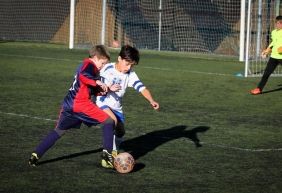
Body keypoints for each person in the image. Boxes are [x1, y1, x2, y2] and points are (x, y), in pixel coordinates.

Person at [29, 45, 116, 169]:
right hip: (80, 104)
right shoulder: (88, 64)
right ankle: (107, 157)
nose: (102, 66)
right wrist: (97, 82)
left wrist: (106, 89)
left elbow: (88, 86)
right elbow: (83, 76)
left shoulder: (91, 68)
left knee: (59, 130)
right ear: (95, 58)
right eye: (102, 63)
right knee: (109, 121)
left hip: (68, 104)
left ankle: (36, 154)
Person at [95, 45, 159, 160]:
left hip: (117, 107)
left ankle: (114, 149)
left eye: (131, 65)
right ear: (119, 58)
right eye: (127, 64)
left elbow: (142, 88)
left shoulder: (130, 75)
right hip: (103, 103)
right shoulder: (107, 69)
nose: (128, 67)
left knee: (120, 132)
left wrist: (151, 100)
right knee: (111, 121)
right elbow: (98, 87)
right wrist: (108, 88)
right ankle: (108, 155)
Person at [250, 15, 282, 95]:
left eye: (278, 23)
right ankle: (259, 89)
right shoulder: (274, 32)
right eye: (276, 23)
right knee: (266, 73)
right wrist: (267, 51)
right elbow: (273, 43)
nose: (276, 25)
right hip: (273, 57)